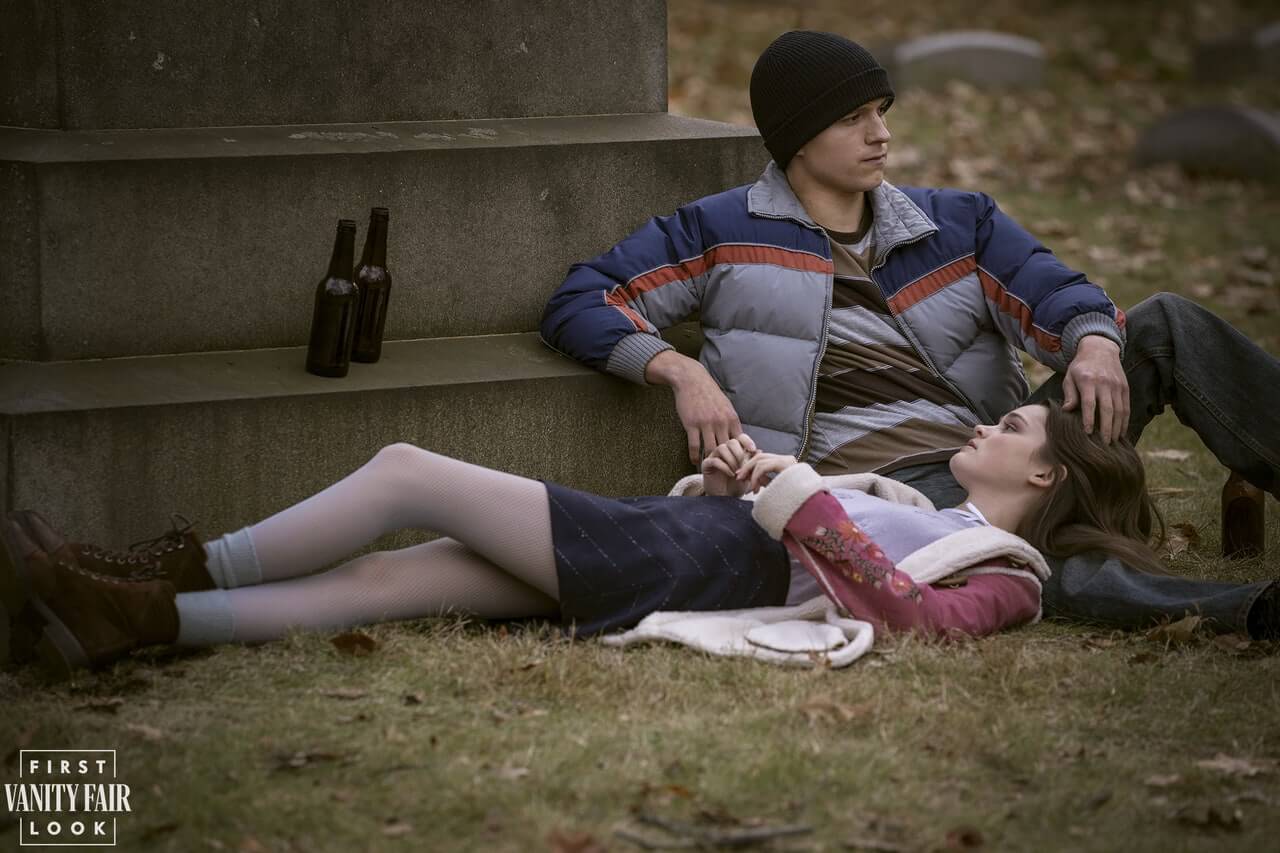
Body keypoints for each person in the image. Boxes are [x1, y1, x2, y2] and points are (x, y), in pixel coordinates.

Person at [540, 30, 1280, 638]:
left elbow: (1057, 291)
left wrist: (1093, 341)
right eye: (853, 119)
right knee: (1014, 558)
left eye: (881, 111)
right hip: (891, 492)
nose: (882, 134)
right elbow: (583, 299)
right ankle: (1252, 611)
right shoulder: (720, 231)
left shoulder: (956, 223)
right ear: (798, 138)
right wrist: (678, 369)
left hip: (1001, 445)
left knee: (1166, 324)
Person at [3, 401, 1163, 678]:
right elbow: (818, 533)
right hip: (693, 536)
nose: (988, 422)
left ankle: (163, 570)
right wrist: (740, 479)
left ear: (1044, 475)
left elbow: (910, 621)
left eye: (1014, 426)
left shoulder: (1008, 577)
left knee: (408, 471)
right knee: (392, 575)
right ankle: (133, 617)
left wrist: (796, 501)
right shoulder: (930, 509)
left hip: (691, 563)